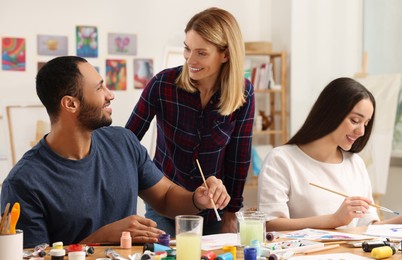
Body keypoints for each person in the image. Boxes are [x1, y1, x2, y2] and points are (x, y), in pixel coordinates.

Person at [0, 56, 230, 248]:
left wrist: (197, 199)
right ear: (70, 104)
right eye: (99, 88)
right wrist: (102, 238)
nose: (110, 95)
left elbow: (166, 197)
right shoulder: (24, 183)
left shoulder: (123, 142)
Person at [125, 7, 254, 236]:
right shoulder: (162, 85)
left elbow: (239, 158)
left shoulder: (243, 93)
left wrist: (231, 215)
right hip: (165, 209)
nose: (190, 60)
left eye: (201, 53)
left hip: (215, 210)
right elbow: (126, 143)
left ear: (225, 54)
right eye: (187, 49)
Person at [258, 77, 402, 231]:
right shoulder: (281, 160)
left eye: (365, 123)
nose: (361, 131)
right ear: (330, 113)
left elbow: (367, 227)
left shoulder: (356, 164)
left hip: (350, 254)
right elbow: (271, 223)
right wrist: (334, 220)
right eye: (355, 120)